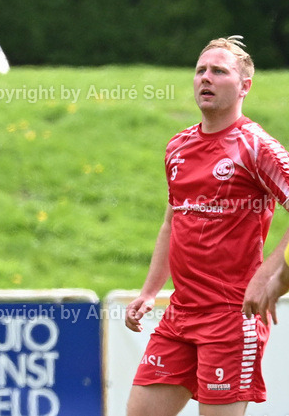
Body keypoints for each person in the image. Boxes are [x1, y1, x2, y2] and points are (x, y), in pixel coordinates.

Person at [124, 36, 289, 416]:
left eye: (218, 71)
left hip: (232, 316)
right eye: (200, 70)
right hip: (180, 314)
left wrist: (268, 276)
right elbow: (171, 222)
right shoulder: (178, 147)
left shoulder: (256, 146)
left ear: (245, 86)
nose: (206, 79)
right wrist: (150, 291)